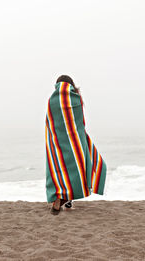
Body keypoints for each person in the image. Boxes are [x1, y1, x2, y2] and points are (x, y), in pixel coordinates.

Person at [45, 75, 106, 215]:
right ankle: (66, 200)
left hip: (58, 141)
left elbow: (50, 123)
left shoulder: (52, 101)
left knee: (62, 169)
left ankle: (63, 199)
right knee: (77, 169)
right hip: (76, 140)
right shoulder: (77, 99)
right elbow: (79, 122)